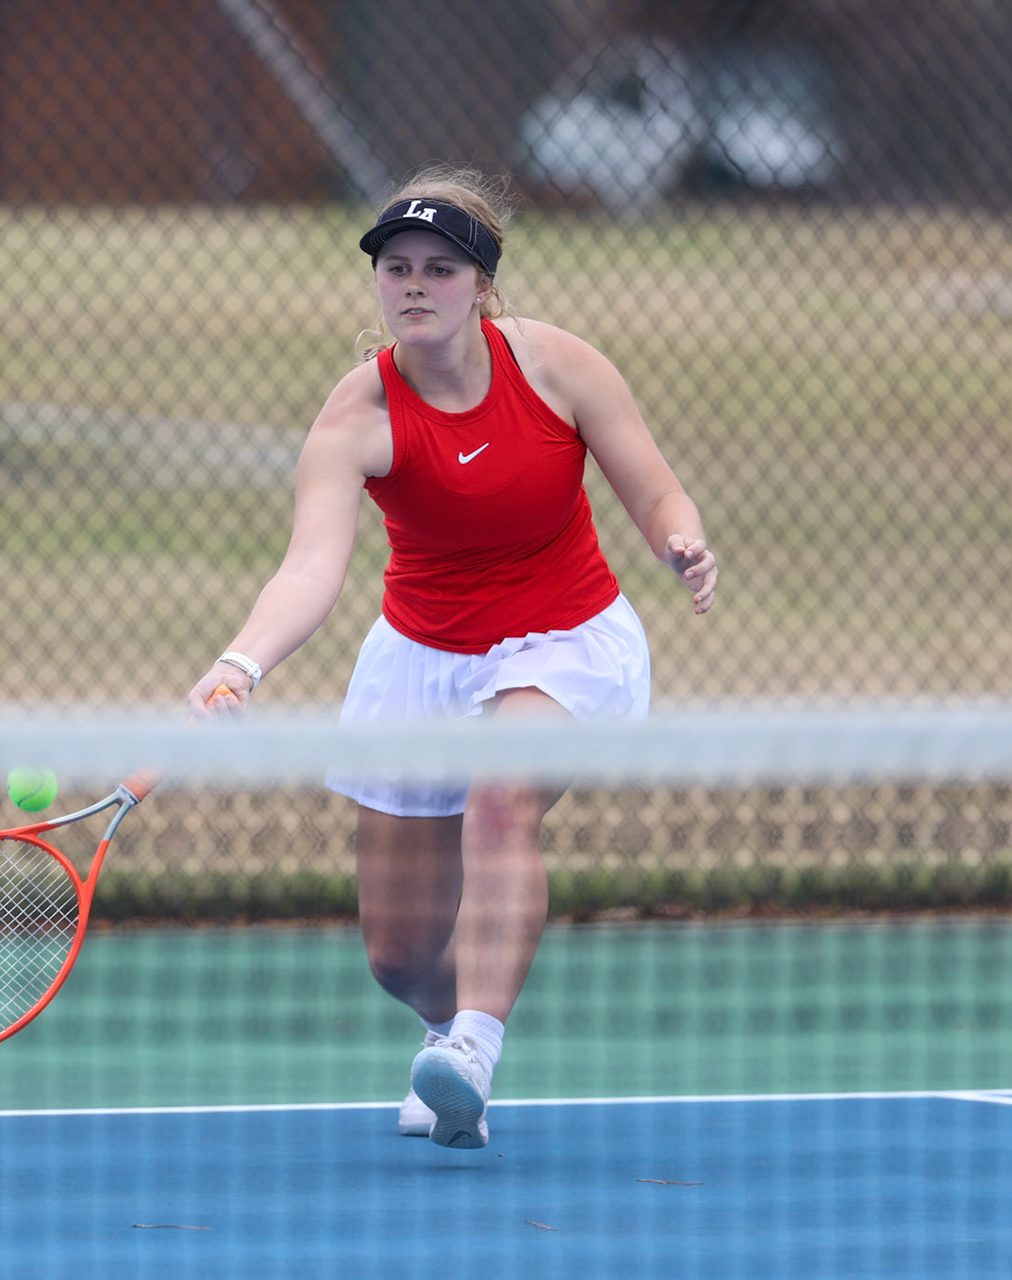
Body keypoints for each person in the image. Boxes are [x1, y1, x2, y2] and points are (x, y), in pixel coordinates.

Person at [187, 165, 717, 1150]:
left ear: (484, 284)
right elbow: (310, 569)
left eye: (440, 267)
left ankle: (474, 1044)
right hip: (422, 659)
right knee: (397, 954)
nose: (415, 285)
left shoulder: (560, 368)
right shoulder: (359, 417)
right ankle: (443, 1022)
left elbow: (655, 489)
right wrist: (239, 664)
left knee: (501, 794)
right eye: (396, 267)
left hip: (568, 642)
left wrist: (681, 539)